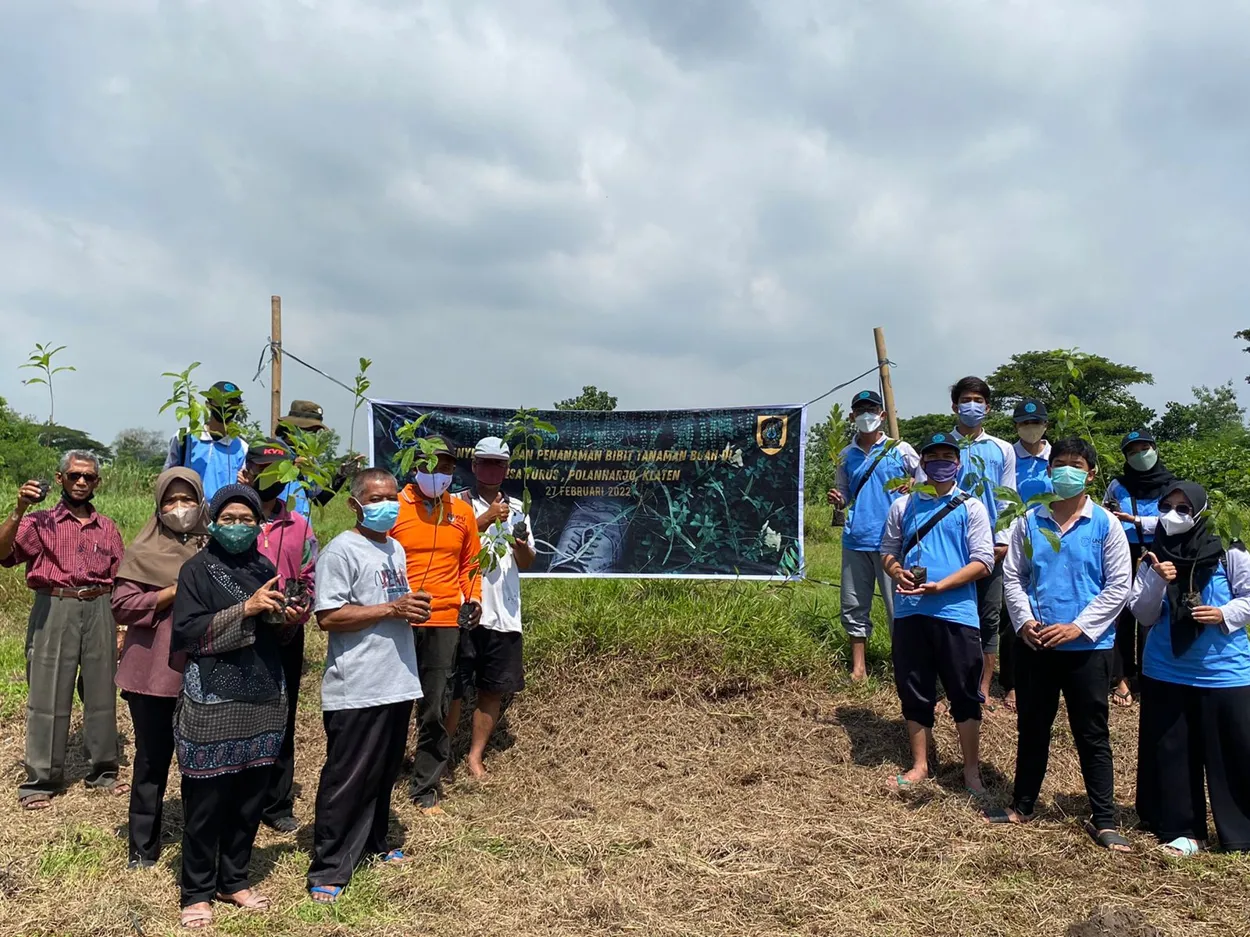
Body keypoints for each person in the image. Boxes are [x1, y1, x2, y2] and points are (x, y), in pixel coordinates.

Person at [991, 438, 1132, 853]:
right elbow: (1014, 576)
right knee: (1033, 727)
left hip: (1088, 649)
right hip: (1037, 646)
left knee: (1092, 733)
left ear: (1090, 474)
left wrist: (1077, 627)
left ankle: (1104, 819)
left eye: (1076, 465)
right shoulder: (1028, 521)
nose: (1067, 471)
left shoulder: (1105, 524)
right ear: (1049, 470)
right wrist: (1024, 621)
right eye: (1060, 464)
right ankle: (1022, 805)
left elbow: (1118, 586)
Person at [307, 468, 432, 902]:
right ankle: (329, 866)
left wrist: (408, 610)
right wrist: (391, 609)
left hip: (396, 680)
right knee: (348, 776)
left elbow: (392, 605)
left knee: (382, 773)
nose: (387, 505)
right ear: (355, 504)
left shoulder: (395, 547)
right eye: (377, 498)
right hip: (357, 684)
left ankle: (375, 843)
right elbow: (328, 617)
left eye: (392, 497)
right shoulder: (341, 551)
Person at [170, 484, 292, 929]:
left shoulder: (264, 566)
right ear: (213, 522)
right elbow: (187, 633)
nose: (238, 526)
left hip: (262, 696)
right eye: (229, 519)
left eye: (246, 519)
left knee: (249, 797)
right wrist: (246, 608)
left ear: (259, 524)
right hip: (213, 701)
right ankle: (197, 891)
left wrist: (285, 617)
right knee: (206, 801)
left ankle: (233, 879)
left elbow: (274, 631)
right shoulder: (196, 570)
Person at [0, 451, 128, 809]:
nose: (81, 482)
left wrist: (122, 627)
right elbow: (3, 554)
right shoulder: (39, 522)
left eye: (89, 476)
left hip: (100, 606)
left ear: (97, 482)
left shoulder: (108, 527)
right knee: (48, 693)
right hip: (55, 606)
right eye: (74, 475)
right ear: (60, 479)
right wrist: (19, 508)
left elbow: (121, 580)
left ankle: (104, 770)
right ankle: (41, 779)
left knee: (101, 692)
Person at [1130, 482, 1250, 856]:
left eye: (1183, 508)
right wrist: (1156, 580)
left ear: (1199, 511)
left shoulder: (1229, 549)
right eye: (1166, 506)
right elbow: (1142, 613)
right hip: (1166, 668)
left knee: (1234, 751)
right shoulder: (1154, 555)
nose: (1173, 515)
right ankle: (1184, 830)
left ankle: (1240, 832)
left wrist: (1224, 613)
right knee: (1173, 751)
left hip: (1224, 669)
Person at [880, 432, 995, 794]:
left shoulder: (971, 507)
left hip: (956, 614)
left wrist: (943, 586)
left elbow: (984, 561)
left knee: (964, 692)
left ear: (958, 464)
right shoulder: (904, 506)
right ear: (923, 464)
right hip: (910, 611)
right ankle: (920, 765)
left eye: (948, 457)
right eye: (933, 458)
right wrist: (896, 570)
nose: (941, 463)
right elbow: (888, 551)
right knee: (914, 688)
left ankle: (971, 770)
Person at [112, 468, 207, 868]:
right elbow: (122, 606)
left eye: (187, 499)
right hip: (152, 674)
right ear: (158, 506)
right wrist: (170, 592)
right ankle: (142, 846)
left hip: (204, 672)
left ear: (201, 502)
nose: (179, 508)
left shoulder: (215, 546)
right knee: (152, 759)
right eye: (170, 501)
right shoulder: (143, 551)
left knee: (201, 763)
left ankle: (198, 842)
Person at [389, 435, 482, 814]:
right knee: (392, 703)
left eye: (446, 466)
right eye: (431, 464)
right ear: (416, 466)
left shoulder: (461, 511)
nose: (438, 472)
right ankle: (384, 772)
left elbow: (470, 564)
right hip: (397, 618)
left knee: (435, 706)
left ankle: (425, 787)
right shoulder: (394, 507)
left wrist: (474, 599)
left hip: (444, 620)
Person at [241, 439, 318, 834]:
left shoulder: (300, 525)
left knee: (282, 715)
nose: (268, 477)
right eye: (261, 469)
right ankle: (240, 797)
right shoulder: (233, 519)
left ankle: (277, 802)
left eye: (276, 470)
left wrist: (297, 612)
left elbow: (308, 577)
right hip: (241, 629)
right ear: (248, 471)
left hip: (286, 632)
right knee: (239, 713)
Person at [448, 437, 536, 778]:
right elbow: (450, 547)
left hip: (504, 610)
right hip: (463, 608)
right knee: (454, 688)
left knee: (493, 689)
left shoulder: (518, 507)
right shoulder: (455, 503)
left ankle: (475, 756)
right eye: (485, 462)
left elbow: (526, 561)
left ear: (507, 469)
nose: (492, 469)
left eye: (499, 464)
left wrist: (520, 544)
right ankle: (442, 755)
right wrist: (485, 519)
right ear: (473, 466)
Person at [826, 390, 920, 681]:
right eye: (860, 411)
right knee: (854, 603)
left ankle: (904, 666)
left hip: (894, 540)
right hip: (856, 538)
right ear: (851, 417)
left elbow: (926, 479)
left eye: (871, 410)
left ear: (882, 415)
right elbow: (845, 492)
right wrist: (839, 499)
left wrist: (913, 483)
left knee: (898, 605)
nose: (866, 416)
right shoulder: (846, 455)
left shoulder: (900, 449)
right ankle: (859, 668)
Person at [947, 377, 1017, 710]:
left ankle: (983, 685)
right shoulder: (942, 446)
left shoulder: (1002, 449)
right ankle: (951, 683)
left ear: (988, 408)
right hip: (951, 545)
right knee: (952, 616)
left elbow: (1007, 498)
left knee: (989, 616)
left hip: (990, 546)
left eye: (978, 400)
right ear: (954, 406)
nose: (971, 406)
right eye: (966, 400)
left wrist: (1002, 540)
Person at [1104, 429, 1176, 707]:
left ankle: (1149, 676)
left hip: (1158, 554)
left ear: (1155, 449)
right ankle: (1121, 677)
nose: (1139, 455)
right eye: (1132, 452)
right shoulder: (1117, 485)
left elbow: (1175, 521)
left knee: (1152, 614)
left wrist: (1135, 520)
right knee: (1121, 613)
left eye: (1144, 449)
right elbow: (1106, 514)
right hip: (1123, 553)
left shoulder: (1172, 485)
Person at [1001, 398, 1053, 713]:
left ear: (1045, 425)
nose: (1031, 428)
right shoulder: (1009, 456)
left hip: (1050, 538)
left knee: (1044, 602)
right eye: (1024, 423)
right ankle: (1011, 681)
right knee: (1013, 610)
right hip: (1015, 537)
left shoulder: (1056, 458)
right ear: (1017, 426)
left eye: (1036, 423)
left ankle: (1048, 671)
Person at [164, 380, 248, 502]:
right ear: (208, 404)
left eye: (232, 402)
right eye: (221, 401)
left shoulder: (241, 448)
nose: (226, 406)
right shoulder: (185, 437)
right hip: (187, 508)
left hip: (222, 512)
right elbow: (167, 476)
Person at [273, 400, 358, 519]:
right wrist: (292, 467)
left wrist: (341, 475)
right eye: (309, 430)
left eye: (315, 431)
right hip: (277, 524)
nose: (312, 435)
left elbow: (319, 499)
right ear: (291, 427)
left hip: (302, 526)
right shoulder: (272, 452)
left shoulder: (308, 459)